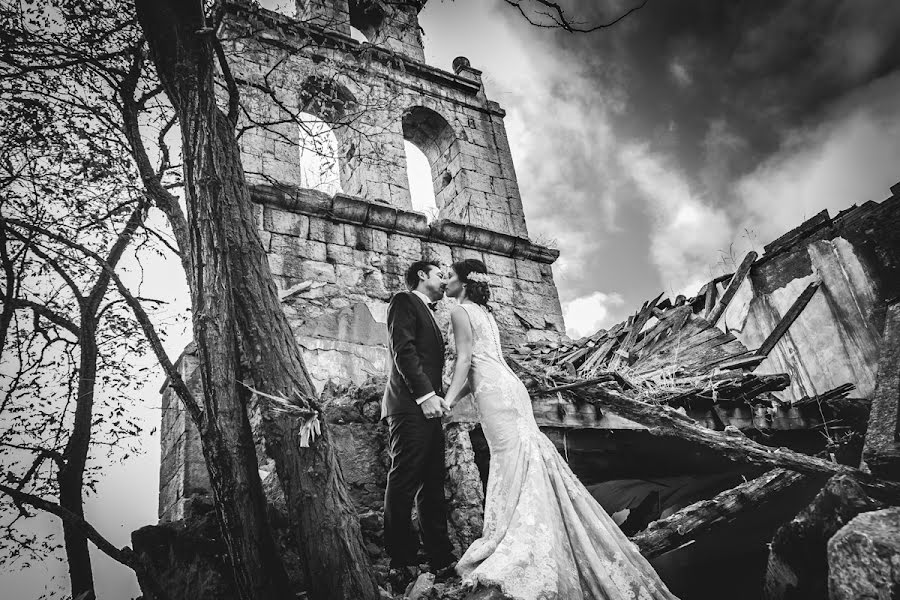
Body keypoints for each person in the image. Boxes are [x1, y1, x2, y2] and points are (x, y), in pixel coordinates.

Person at [442, 258, 680, 600]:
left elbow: (466, 362)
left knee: (510, 459)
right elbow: (482, 365)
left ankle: (517, 536)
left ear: (464, 282)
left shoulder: (460, 311)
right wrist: (454, 395)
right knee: (521, 455)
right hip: (509, 389)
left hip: (495, 394)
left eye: (450, 275)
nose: (446, 281)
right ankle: (532, 528)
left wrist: (447, 400)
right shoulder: (486, 314)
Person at [381, 260, 457, 590]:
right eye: (440, 274)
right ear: (422, 275)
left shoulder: (429, 311)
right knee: (403, 481)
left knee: (432, 483)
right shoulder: (403, 300)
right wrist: (426, 395)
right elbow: (403, 349)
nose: (444, 280)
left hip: (429, 410)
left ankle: (440, 557)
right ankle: (402, 561)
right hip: (410, 406)